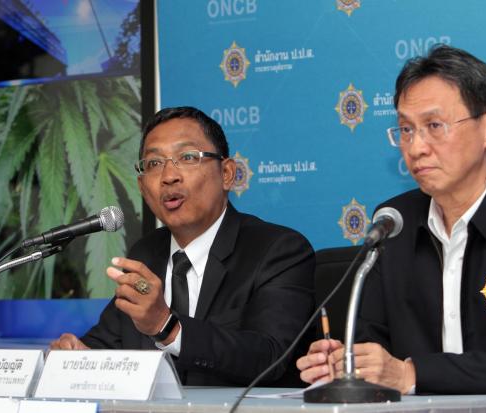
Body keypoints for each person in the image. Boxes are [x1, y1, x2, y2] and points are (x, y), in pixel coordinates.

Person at [297, 44, 486, 394]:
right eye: (405, 130)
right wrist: (347, 364)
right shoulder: (393, 223)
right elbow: (373, 345)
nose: (416, 148)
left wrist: (411, 374)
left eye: (434, 125)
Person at [51, 106, 315, 387]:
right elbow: (106, 344)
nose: (169, 176)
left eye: (187, 157)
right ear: (142, 186)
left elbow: (271, 355)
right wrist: (80, 356)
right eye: (154, 163)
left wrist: (167, 327)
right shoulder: (145, 254)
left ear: (227, 173)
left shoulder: (277, 251)